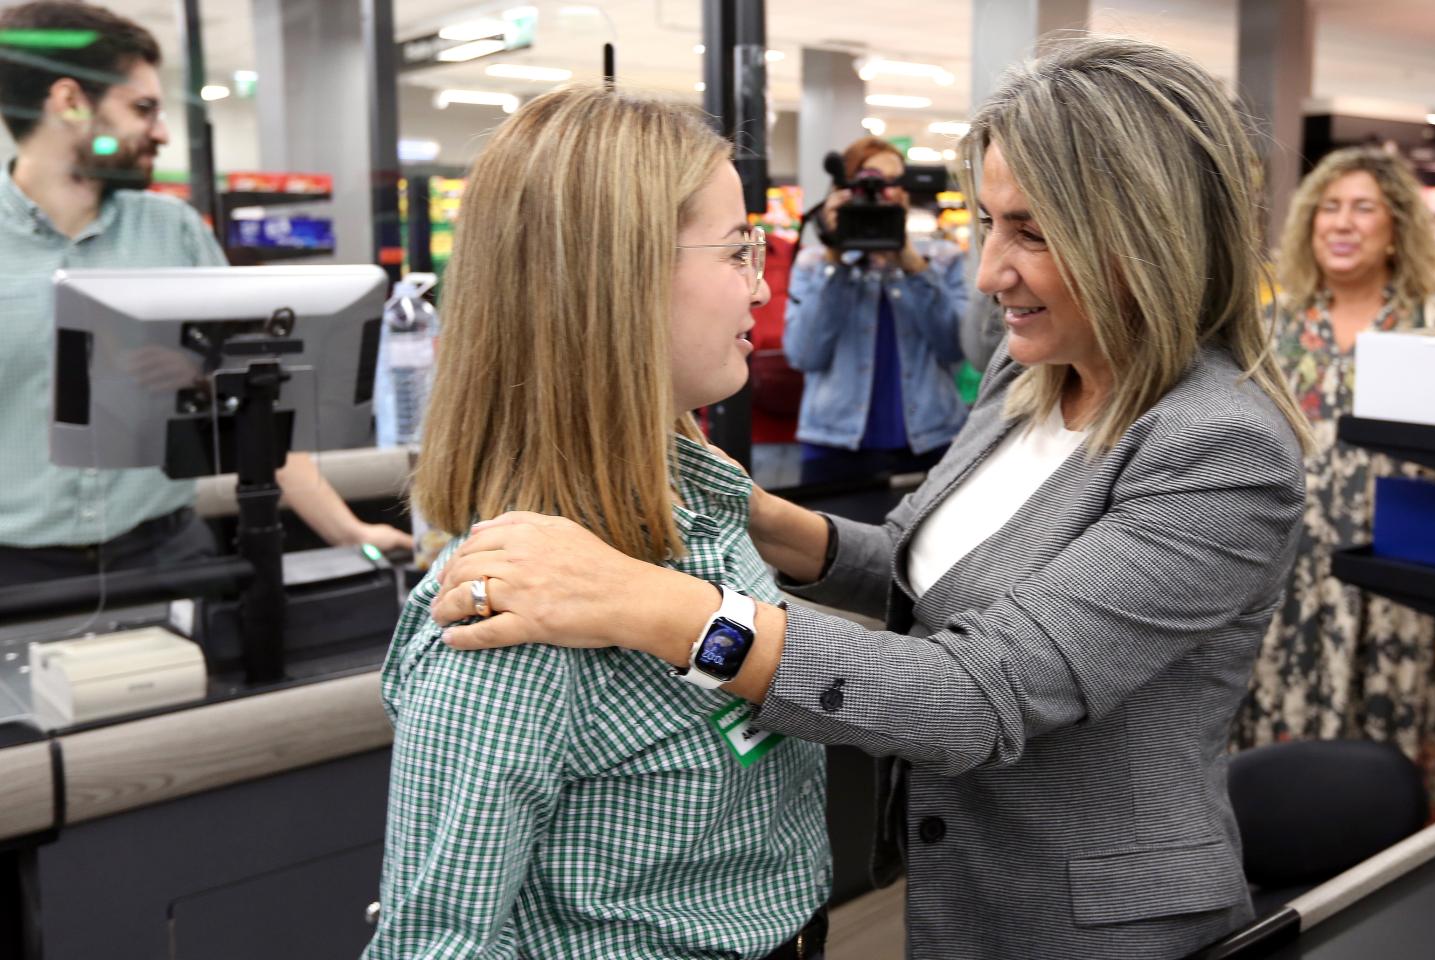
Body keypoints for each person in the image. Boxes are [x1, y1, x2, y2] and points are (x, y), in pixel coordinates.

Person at [428, 36, 1310, 959]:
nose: (987, 273)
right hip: (961, 881)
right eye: (988, 222)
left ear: (1146, 234)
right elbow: (922, 569)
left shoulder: (1220, 453)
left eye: (1033, 234)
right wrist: (759, 515)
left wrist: (658, 608)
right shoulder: (1032, 370)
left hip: (1092, 920)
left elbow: (974, 693)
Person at [363, 86, 830, 959]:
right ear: (621, 279)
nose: (762, 287)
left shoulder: (709, 507)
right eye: (738, 252)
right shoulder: (512, 627)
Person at [0, 0, 409, 587]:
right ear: (69, 103)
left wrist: (350, 531)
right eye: (142, 109)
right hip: (16, 575)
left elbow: (261, 402)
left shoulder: (175, 232)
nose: (161, 132)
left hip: (165, 555)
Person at [1233, 145, 1435, 818]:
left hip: (1396, 579)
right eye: (1329, 208)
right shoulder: (1273, 326)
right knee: (1282, 728)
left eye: (1364, 208)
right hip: (1287, 580)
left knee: (1391, 730)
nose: (1343, 223)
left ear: (1397, 226)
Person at [784, 135, 967, 482]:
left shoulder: (942, 260)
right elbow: (803, 354)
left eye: (893, 182)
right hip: (833, 445)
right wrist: (835, 260)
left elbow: (953, 347)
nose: (882, 192)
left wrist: (912, 265)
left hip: (931, 440)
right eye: (870, 182)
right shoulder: (813, 264)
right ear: (843, 190)